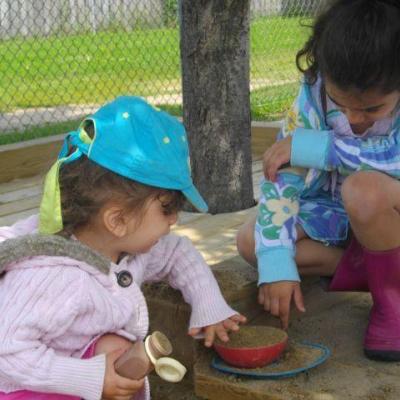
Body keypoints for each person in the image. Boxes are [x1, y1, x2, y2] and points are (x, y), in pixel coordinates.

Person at [0, 96, 246, 400]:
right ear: (118, 220)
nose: (174, 220)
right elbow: (8, 352)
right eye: (167, 209)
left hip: (61, 355)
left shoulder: (122, 246)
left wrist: (208, 305)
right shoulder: (56, 277)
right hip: (21, 384)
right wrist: (90, 378)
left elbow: (176, 252)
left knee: (116, 346)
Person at [236, 0, 400, 361]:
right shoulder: (314, 90)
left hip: (389, 214)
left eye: (372, 109)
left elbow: (393, 157)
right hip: (334, 214)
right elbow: (285, 173)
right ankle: (372, 273)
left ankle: (393, 306)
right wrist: (276, 263)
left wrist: (319, 147)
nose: (354, 119)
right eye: (341, 104)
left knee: (364, 189)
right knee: (252, 241)